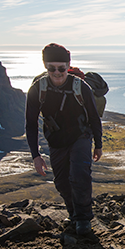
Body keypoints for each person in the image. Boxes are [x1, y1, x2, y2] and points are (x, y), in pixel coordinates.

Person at [25, 43, 103, 235]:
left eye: (61, 68)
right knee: (61, 181)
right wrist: (36, 156)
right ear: (45, 66)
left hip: (81, 135)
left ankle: (84, 219)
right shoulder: (38, 88)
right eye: (52, 68)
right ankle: (73, 213)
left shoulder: (80, 87)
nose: (57, 73)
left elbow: (93, 117)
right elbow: (30, 123)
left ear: (68, 65)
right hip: (56, 139)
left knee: (79, 175)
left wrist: (98, 145)